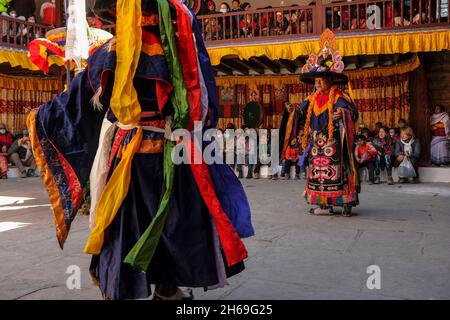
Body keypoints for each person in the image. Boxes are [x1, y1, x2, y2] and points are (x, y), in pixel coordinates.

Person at [27, 0, 253, 301]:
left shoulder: (113, 52)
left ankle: (119, 289)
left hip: (130, 159)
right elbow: (206, 105)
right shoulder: (184, 53)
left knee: (123, 228)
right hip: (177, 154)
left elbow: (79, 104)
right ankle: (168, 289)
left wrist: (38, 119)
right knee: (174, 225)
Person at [279, 30, 360, 217]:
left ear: (330, 81)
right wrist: (293, 109)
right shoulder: (312, 98)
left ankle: (345, 202)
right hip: (316, 142)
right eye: (315, 81)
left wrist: (343, 113)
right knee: (318, 172)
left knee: (336, 172)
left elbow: (352, 112)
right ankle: (323, 204)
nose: (317, 84)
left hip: (334, 142)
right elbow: (302, 111)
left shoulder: (339, 96)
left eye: (321, 81)